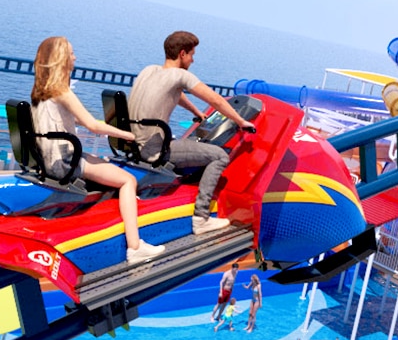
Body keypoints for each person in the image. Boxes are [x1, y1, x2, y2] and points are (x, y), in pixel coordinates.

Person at [31, 36, 165, 265]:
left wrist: (106, 125)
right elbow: (92, 125)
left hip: (48, 158)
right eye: (71, 53)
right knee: (128, 180)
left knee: (104, 164)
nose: (75, 57)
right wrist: (129, 135)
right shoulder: (61, 90)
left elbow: (79, 121)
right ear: (61, 59)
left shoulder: (41, 91)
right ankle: (135, 247)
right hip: (64, 160)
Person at [126, 31, 257, 235]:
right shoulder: (182, 74)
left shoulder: (149, 71)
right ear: (182, 53)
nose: (193, 60)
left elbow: (174, 93)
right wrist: (240, 121)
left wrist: (195, 111)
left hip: (135, 143)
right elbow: (216, 100)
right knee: (219, 156)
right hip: (155, 149)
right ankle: (201, 218)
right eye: (192, 55)